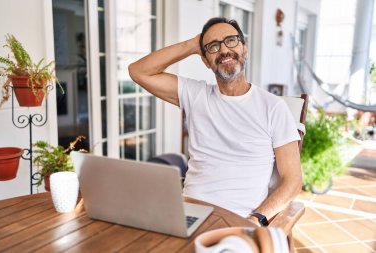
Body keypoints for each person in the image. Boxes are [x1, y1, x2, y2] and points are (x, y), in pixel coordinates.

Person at [128, 17, 302, 226]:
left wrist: (257, 219)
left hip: (239, 220)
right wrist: (193, 44)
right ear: (205, 60)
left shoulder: (273, 107)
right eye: (213, 46)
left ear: (244, 48)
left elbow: (292, 182)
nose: (223, 50)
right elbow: (138, 71)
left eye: (231, 40)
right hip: (188, 213)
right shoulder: (195, 95)